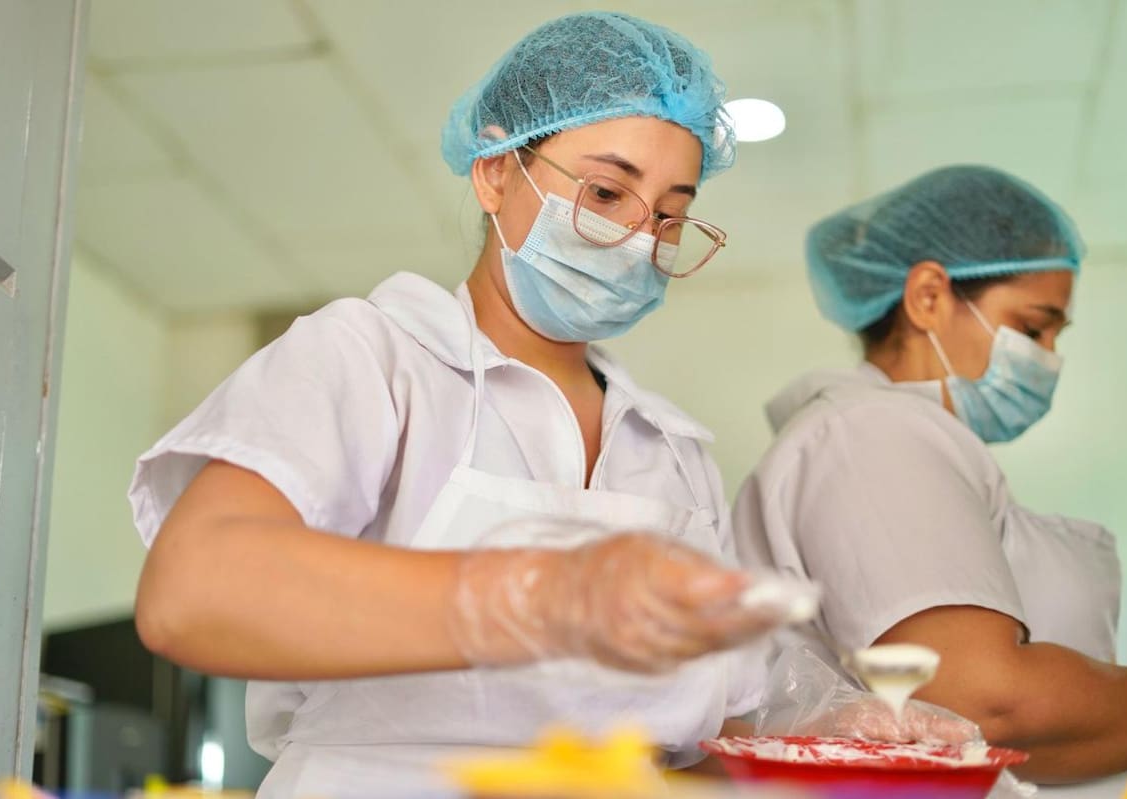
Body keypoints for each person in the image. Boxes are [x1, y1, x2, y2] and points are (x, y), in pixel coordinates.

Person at [129, 12, 797, 797]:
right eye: (607, 191)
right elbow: (195, 589)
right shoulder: (374, 359)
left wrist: (837, 724)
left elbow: (709, 740)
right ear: (494, 172)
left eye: (669, 216)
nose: (638, 239)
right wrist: (535, 597)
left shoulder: (673, 450)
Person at [733, 166, 1127, 795]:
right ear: (927, 297)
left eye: (1056, 335)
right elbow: (985, 699)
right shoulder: (872, 432)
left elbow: (1006, 742)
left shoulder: (894, 437)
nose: (1050, 358)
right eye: (1033, 327)